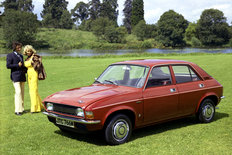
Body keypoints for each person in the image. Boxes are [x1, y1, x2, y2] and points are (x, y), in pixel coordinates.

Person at [6, 41, 27, 116]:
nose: (20, 48)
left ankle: (22, 109)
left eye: (20, 47)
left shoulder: (21, 56)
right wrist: (17, 65)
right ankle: (17, 110)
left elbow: (23, 66)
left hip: (22, 76)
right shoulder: (10, 55)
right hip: (15, 76)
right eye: (18, 46)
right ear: (14, 47)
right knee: (18, 92)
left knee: (22, 93)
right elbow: (8, 66)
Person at [23, 45, 45, 113]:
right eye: (27, 51)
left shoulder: (35, 57)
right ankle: (40, 106)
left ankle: (34, 108)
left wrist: (34, 64)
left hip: (34, 73)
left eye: (30, 51)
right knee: (33, 91)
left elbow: (39, 65)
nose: (28, 52)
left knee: (33, 91)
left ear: (32, 50)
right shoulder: (27, 58)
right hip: (29, 75)